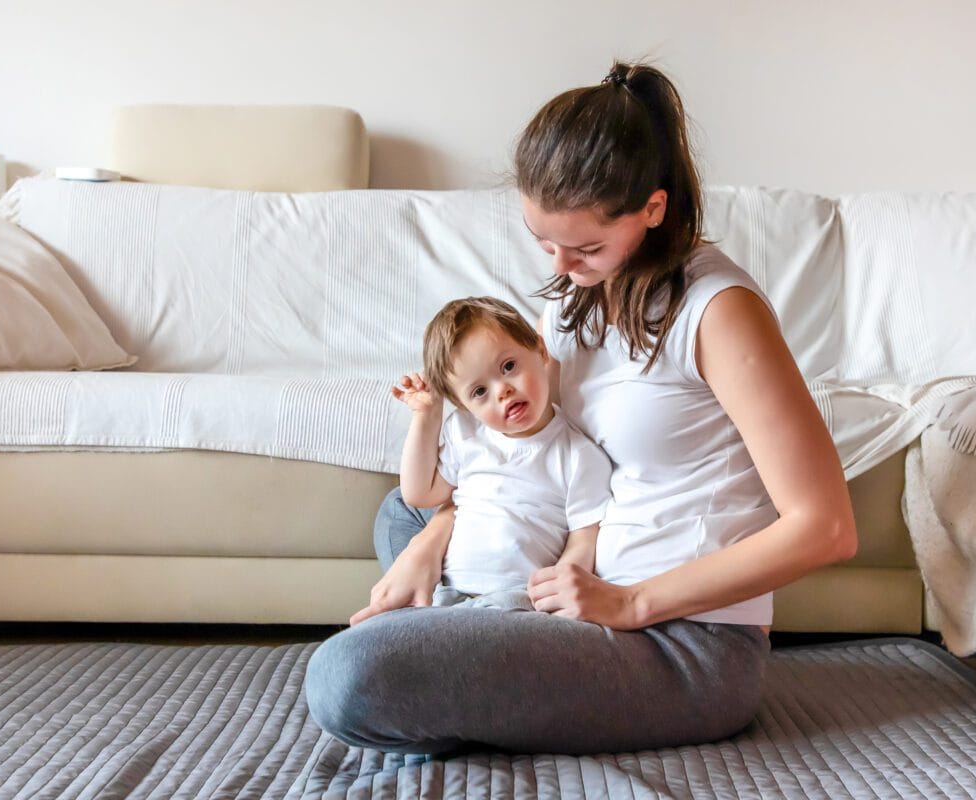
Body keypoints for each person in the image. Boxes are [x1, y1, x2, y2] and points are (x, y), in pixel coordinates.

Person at [305, 61, 857, 755]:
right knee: (404, 510)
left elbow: (827, 528)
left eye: (587, 246)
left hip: (677, 640)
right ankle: (470, 648)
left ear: (653, 209)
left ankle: (459, 659)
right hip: (567, 577)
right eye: (545, 242)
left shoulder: (721, 314)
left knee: (346, 675)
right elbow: (526, 443)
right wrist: (432, 538)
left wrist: (630, 603)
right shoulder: (576, 296)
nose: (561, 267)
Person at [388, 296, 611, 613]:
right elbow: (418, 493)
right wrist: (426, 415)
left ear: (540, 350)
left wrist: (559, 586)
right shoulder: (466, 432)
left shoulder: (578, 455)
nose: (502, 390)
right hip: (447, 589)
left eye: (509, 367)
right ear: (465, 406)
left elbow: (584, 538)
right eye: (479, 392)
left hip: (517, 598)